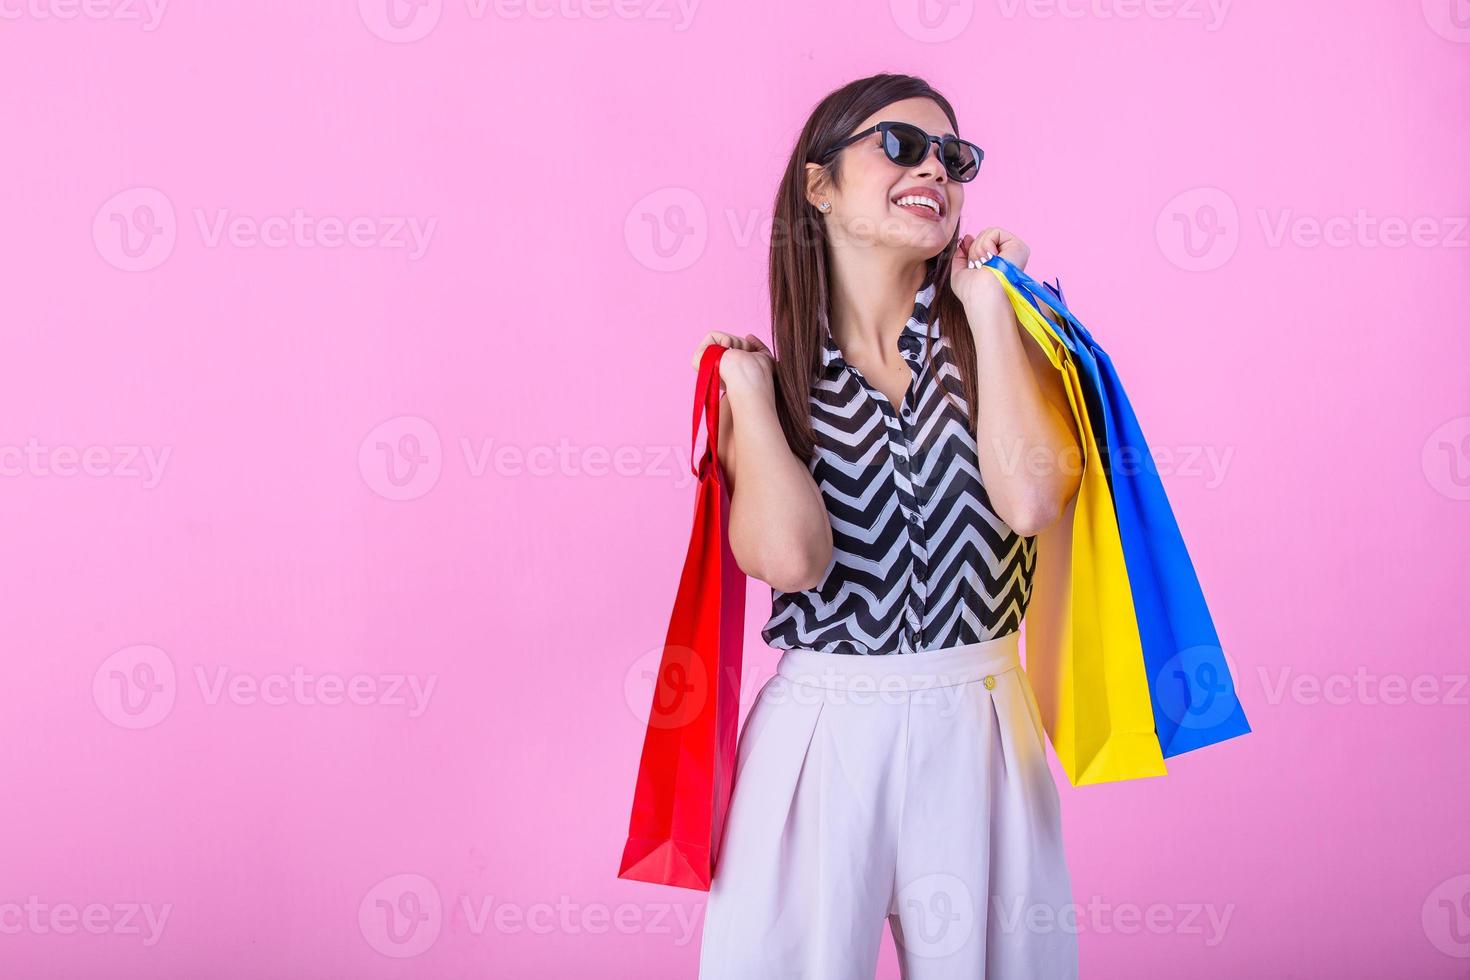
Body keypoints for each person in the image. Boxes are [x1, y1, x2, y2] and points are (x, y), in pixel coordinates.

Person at [690, 72, 1083, 979]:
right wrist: (746, 392)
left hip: (981, 714)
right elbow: (790, 558)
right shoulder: (773, 383)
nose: (936, 169)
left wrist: (990, 302)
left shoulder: (1009, 337)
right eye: (901, 146)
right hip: (822, 729)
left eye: (955, 157)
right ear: (818, 186)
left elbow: (1029, 503)